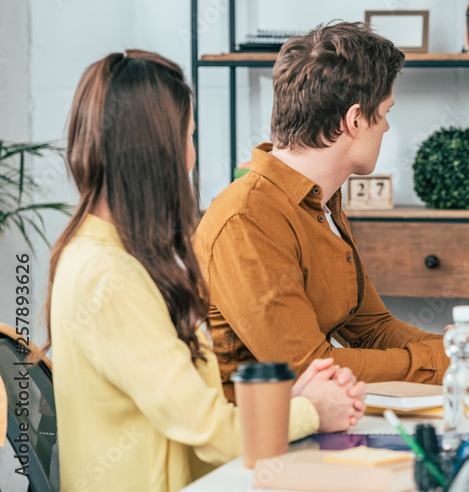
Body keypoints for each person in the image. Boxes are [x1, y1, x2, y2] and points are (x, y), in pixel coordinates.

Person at [38, 51, 366, 492]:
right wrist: (310, 412)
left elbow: (189, 411)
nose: (192, 154)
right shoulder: (108, 277)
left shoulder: (102, 255)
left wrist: (290, 399)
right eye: (188, 136)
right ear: (158, 152)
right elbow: (212, 434)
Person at [194, 21, 469, 400]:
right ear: (355, 119)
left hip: (317, 421)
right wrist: (440, 362)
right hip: (259, 439)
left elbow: (371, 329)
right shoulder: (247, 219)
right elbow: (308, 369)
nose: (388, 126)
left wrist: (464, 349)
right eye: (386, 111)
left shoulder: (322, 204)